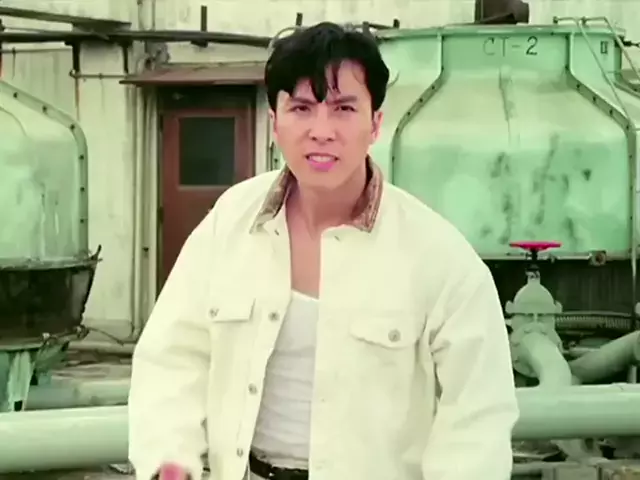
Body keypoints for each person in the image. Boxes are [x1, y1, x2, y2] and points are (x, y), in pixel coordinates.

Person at [128, 21, 519, 480]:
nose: (321, 131)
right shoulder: (230, 222)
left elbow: (476, 418)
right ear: (275, 122)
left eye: (343, 108)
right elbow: (173, 357)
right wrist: (170, 458)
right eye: (301, 108)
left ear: (375, 123)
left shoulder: (438, 256)